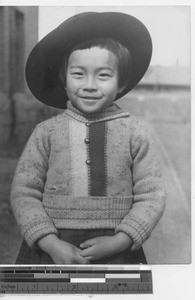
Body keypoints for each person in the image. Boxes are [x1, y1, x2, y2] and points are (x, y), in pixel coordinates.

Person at [10, 11, 166, 264]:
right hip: (51, 248)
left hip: (117, 250)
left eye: (103, 75)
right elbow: (24, 193)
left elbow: (152, 195)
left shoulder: (135, 133)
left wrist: (122, 240)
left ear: (121, 82)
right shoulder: (45, 133)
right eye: (78, 74)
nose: (90, 85)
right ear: (64, 79)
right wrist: (50, 243)